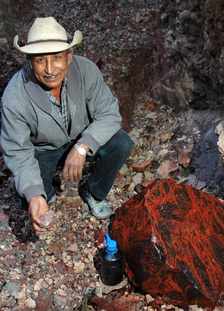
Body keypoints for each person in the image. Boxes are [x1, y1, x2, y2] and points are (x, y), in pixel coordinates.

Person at [0, 17, 134, 235]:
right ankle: (48, 193)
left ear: (69, 56)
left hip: (81, 137)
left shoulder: (87, 71)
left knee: (122, 143)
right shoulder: (14, 96)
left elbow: (109, 114)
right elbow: (18, 151)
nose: (50, 69)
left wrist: (83, 147)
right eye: (40, 60)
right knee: (29, 198)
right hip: (43, 150)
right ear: (30, 61)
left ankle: (93, 191)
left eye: (57, 58)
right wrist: (35, 195)